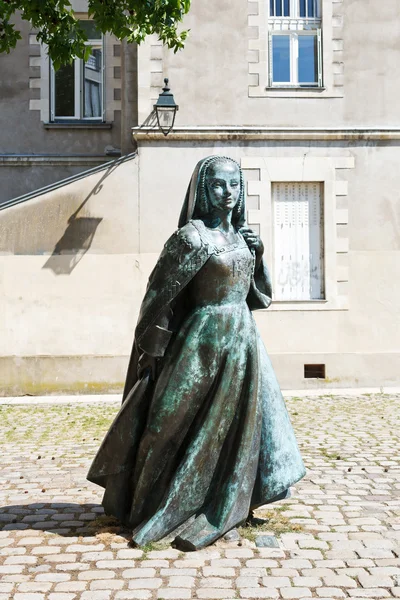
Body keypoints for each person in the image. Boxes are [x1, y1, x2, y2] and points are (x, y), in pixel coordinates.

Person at [87, 155, 305, 550]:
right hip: (199, 343)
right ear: (203, 190)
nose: (227, 193)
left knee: (238, 428)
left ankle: (227, 500)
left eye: (234, 185)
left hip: (241, 341)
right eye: (218, 185)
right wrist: (151, 353)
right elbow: (158, 300)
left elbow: (257, 297)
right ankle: (149, 502)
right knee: (165, 425)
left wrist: (261, 256)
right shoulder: (190, 238)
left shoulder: (243, 238)